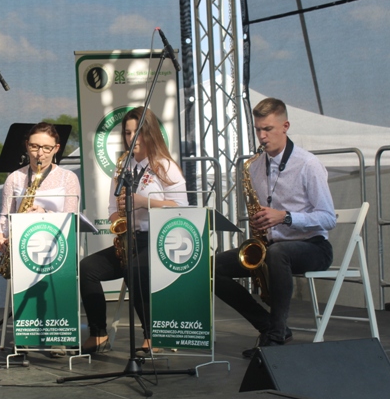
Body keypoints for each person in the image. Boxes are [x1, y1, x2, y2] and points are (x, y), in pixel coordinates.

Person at [214, 97, 336, 358]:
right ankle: (267, 324)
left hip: (313, 247)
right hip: (271, 246)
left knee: (278, 254)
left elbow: (328, 218)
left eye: (267, 129)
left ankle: (277, 334)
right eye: (258, 129)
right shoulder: (256, 167)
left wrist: (285, 217)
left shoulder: (308, 164)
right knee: (213, 268)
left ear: (285, 126)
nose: (261, 136)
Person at [79, 106, 188, 354]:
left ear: (149, 134)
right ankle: (98, 333)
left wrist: (143, 202)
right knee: (87, 268)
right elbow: (111, 207)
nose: (131, 138)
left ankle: (153, 335)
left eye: (137, 133)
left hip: (160, 241)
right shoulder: (122, 167)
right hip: (130, 240)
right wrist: (118, 216)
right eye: (127, 133)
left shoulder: (165, 166)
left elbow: (182, 208)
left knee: (135, 270)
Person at [0, 122, 81, 255]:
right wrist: (0, 235)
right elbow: (5, 215)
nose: (39, 153)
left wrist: (45, 214)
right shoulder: (14, 178)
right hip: (22, 249)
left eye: (47, 148)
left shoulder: (68, 178)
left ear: (56, 148)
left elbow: (72, 220)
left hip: (59, 248)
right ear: (27, 145)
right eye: (34, 146)